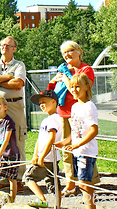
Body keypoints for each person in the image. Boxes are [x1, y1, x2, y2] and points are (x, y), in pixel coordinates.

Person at [47, 40, 99, 196]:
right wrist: (54, 81)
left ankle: (88, 183)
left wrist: (66, 79)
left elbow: (80, 89)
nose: (66, 55)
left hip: (80, 113)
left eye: (70, 51)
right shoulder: (63, 70)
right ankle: (71, 183)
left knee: (84, 149)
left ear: (79, 51)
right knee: (67, 150)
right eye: (64, 53)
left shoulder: (86, 69)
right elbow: (53, 91)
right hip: (64, 112)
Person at [0, 36, 27, 191]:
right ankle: (4, 178)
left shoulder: (19, 65)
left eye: (9, 45)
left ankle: (18, 179)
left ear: (14, 48)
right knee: (0, 140)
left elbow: (18, 83)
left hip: (14, 106)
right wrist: (8, 78)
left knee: (16, 140)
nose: (5, 47)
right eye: (3, 44)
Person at [55, 73, 98, 209]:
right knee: (82, 183)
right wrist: (64, 142)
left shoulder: (89, 106)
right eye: (72, 87)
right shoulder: (74, 107)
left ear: (87, 86)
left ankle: (90, 206)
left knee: (84, 184)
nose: (74, 90)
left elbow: (94, 130)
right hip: (77, 151)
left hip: (86, 152)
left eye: (77, 86)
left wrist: (77, 145)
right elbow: (75, 131)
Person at [23, 90, 62, 209]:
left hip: (48, 158)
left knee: (28, 177)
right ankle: (57, 206)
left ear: (54, 101)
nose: (41, 105)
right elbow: (39, 140)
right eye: (40, 103)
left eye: (44, 101)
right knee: (53, 182)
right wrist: (35, 155)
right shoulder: (46, 120)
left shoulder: (55, 118)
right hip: (47, 157)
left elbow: (51, 139)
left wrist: (42, 157)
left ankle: (42, 199)